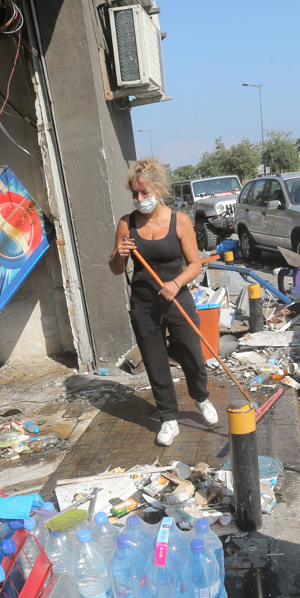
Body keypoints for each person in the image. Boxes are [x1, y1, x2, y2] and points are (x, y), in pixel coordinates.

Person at [109, 159, 217, 446]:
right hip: (144, 304)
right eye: (135, 194)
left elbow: (195, 264)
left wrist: (176, 283)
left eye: (144, 193)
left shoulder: (179, 221)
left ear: (157, 189)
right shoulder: (126, 223)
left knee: (193, 354)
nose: (139, 199)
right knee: (156, 363)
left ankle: (201, 397)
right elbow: (116, 269)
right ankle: (169, 418)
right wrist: (120, 253)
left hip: (177, 297)